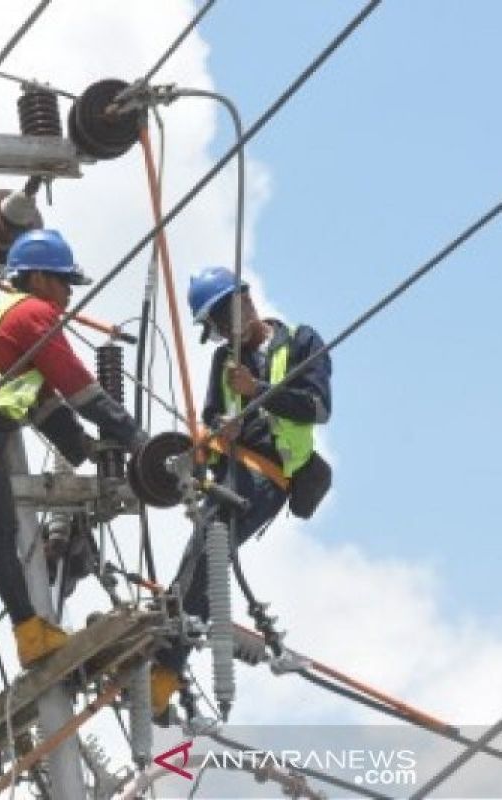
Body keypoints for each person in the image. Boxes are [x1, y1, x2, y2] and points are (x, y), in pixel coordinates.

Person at [0, 229, 149, 668]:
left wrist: (84, 448)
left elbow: (41, 401)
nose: (69, 293)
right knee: (1, 530)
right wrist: (138, 439)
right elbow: (80, 389)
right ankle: (30, 632)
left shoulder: (5, 317)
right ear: (36, 278)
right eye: (62, 280)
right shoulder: (35, 315)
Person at [150, 265, 333, 717]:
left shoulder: (301, 343)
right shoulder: (223, 361)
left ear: (246, 302)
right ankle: (166, 655)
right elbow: (213, 415)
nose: (220, 334)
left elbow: (317, 407)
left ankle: (165, 663)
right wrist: (219, 431)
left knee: (208, 549)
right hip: (231, 471)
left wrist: (259, 392)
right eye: (213, 329)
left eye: (219, 321)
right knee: (205, 554)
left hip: (267, 475)